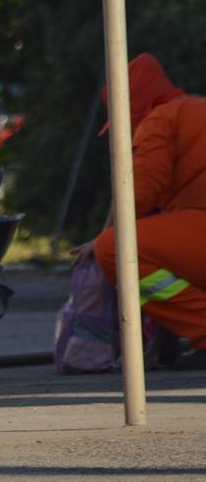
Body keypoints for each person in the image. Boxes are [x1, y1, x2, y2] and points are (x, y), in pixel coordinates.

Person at [74, 53, 206, 370]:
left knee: (114, 249)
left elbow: (137, 192)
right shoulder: (194, 108)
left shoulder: (160, 119)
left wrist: (101, 237)